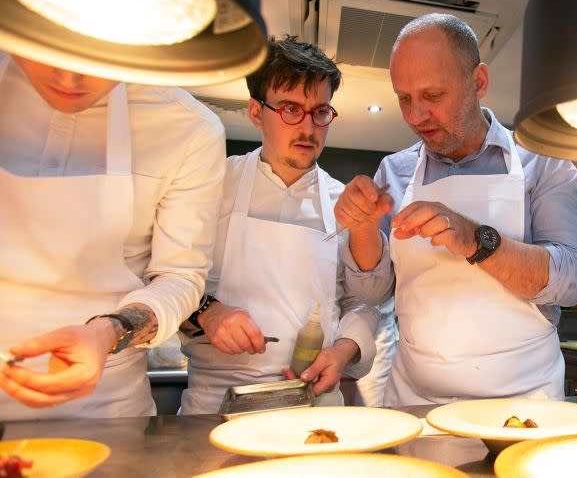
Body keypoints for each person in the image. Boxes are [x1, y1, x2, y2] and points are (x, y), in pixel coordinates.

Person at [335, 13, 577, 405]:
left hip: (524, 402)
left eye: (433, 96)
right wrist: (364, 229)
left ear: (479, 82)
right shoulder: (395, 171)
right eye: (404, 98)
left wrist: (476, 239)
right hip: (416, 402)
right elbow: (373, 291)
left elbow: (572, 280)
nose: (416, 116)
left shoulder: (544, 164)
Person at [0, 54, 225, 420]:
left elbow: (180, 276)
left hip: (104, 404)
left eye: (96, 56)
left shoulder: (188, 128)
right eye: (46, 48)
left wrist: (109, 332)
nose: (69, 76)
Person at [179, 36, 393, 414]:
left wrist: (344, 351)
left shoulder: (340, 201)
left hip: (314, 403)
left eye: (320, 111)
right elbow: (166, 276)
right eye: (291, 109)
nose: (308, 128)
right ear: (256, 112)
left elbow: (364, 301)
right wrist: (209, 313)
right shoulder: (213, 183)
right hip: (215, 404)